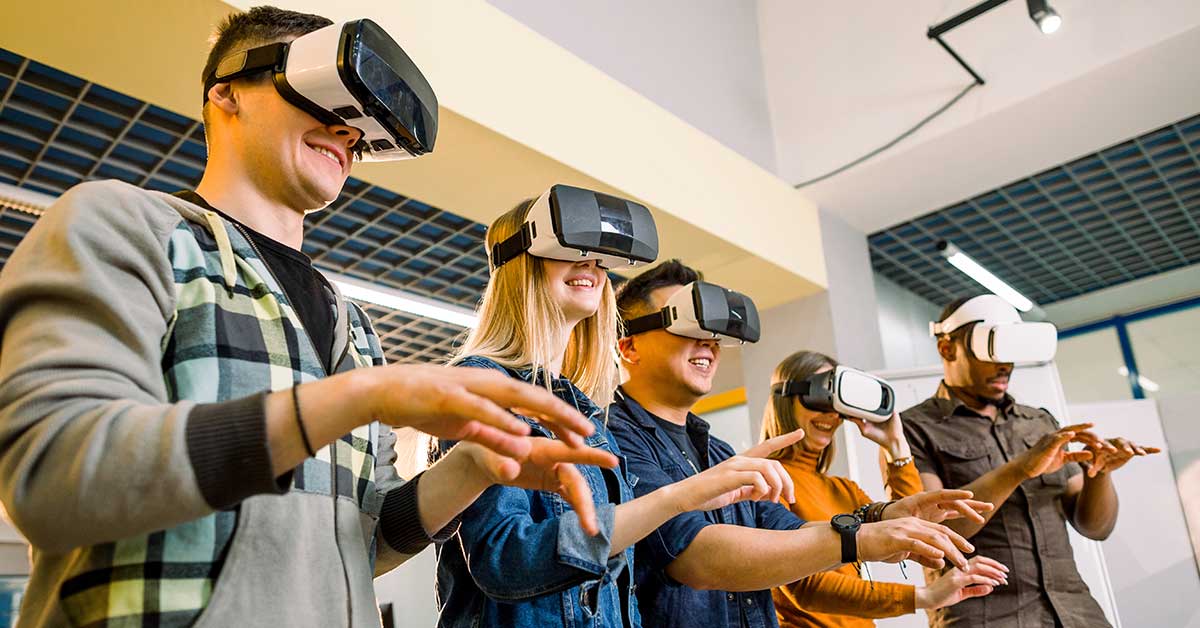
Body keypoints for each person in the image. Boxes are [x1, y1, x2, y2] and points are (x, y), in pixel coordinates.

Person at [0, 7, 613, 628]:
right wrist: (356, 397)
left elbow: (361, 543)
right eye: (323, 99)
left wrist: (470, 469)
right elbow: (51, 476)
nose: (346, 132)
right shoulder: (128, 229)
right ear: (227, 93)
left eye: (358, 125)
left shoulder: (352, 326)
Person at [432, 194, 809, 628]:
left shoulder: (587, 416)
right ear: (520, 259)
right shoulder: (480, 385)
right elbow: (506, 558)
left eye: (599, 259)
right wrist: (678, 498)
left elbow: (613, 591)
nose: (590, 265)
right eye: (572, 250)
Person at [608, 260, 990, 628]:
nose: (709, 342)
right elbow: (694, 556)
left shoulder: (720, 453)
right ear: (629, 347)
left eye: (713, 332)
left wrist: (879, 518)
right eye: (688, 327)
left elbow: (790, 533)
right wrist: (863, 544)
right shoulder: (612, 437)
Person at [902, 294, 1162, 628]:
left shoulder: (1039, 422)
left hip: (1075, 612)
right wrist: (1020, 468)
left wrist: (1100, 474)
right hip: (984, 617)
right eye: (991, 351)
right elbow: (934, 536)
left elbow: (1095, 527)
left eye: (1011, 351)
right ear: (947, 349)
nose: (1005, 365)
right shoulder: (914, 428)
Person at [762, 350, 1008, 627]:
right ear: (785, 398)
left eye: (838, 404)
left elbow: (911, 533)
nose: (830, 415)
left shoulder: (843, 490)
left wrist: (895, 445)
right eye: (820, 398)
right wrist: (923, 596)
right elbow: (805, 586)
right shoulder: (766, 482)